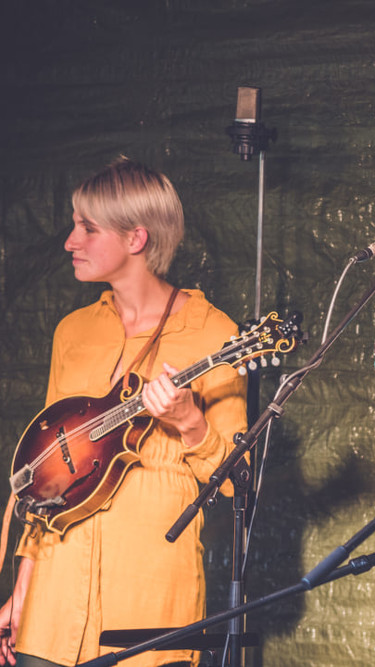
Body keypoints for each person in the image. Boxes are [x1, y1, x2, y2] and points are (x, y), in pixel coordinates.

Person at [0, 158, 248, 667]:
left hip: (149, 603)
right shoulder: (73, 331)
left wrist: (189, 422)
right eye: (75, 224)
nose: (70, 241)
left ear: (136, 239)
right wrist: (24, 588)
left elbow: (237, 482)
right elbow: (48, 476)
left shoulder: (212, 332)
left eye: (87, 229)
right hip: (51, 604)